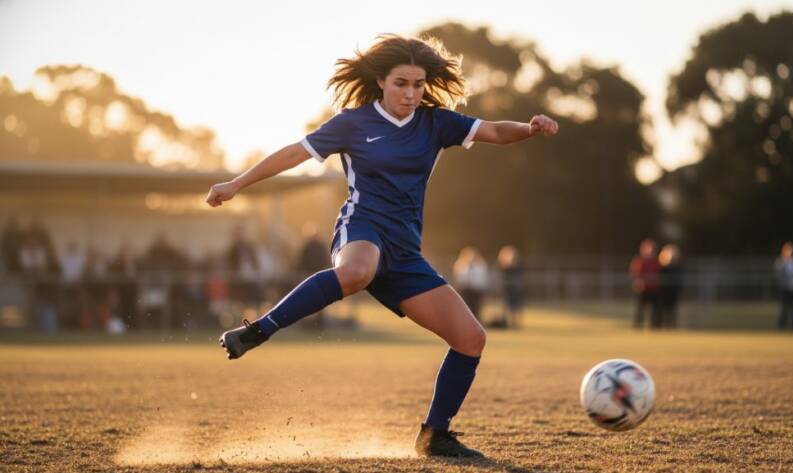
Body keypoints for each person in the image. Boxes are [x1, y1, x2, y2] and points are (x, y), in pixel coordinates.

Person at [206, 34, 558, 458]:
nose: (411, 94)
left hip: (405, 253)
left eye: (419, 84)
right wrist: (237, 183)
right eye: (401, 84)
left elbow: (497, 131)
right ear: (380, 81)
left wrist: (531, 128)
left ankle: (434, 437)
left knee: (471, 339)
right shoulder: (353, 123)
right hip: (362, 228)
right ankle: (258, 329)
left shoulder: (436, 122)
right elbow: (292, 155)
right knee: (356, 271)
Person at [629, 238, 662, 329]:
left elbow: (660, 273)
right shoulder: (640, 261)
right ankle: (638, 326)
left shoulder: (656, 262)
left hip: (654, 289)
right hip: (643, 289)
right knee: (640, 309)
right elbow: (635, 274)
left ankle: (655, 326)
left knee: (655, 309)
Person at [452, 247, 490, 322]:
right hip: (465, 290)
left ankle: (476, 320)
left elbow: (482, 279)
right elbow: (459, 278)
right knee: (466, 306)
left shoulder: (481, 265)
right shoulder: (460, 264)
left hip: (477, 290)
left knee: (476, 307)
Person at [774, 242, 793, 330]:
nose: (790, 253)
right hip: (785, 289)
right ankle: (782, 327)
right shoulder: (781, 262)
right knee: (784, 309)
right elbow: (778, 274)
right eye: (788, 251)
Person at [496, 245, 524, 329]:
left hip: (515, 289)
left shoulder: (518, 267)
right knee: (507, 306)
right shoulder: (504, 268)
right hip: (507, 290)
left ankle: (516, 322)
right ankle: (506, 322)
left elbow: (520, 278)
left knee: (516, 306)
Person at [658, 244, 683, 329]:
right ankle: (662, 325)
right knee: (662, 309)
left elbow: (680, 280)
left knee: (672, 309)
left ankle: (671, 325)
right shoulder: (662, 267)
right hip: (663, 291)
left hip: (673, 291)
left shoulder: (678, 267)